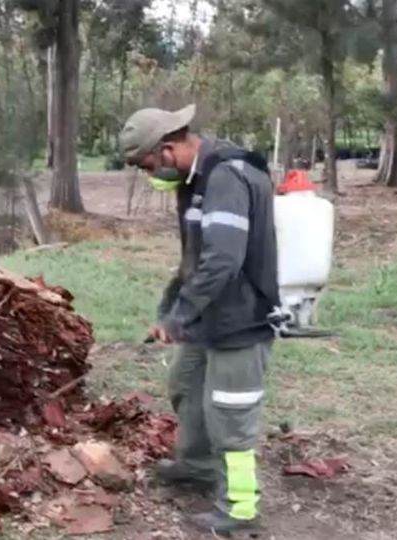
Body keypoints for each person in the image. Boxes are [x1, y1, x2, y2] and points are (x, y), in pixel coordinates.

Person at [118, 104, 280, 535]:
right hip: (208, 315)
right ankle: (196, 465)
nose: (147, 172)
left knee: (231, 416)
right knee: (185, 385)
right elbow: (195, 258)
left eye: (146, 163)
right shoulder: (196, 179)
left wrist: (180, 316)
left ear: (167, 149)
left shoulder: (227, 177)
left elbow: (223, 260)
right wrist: (170, 308)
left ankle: (240, 510)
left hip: (241, 318)